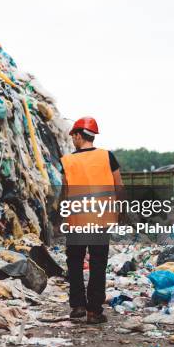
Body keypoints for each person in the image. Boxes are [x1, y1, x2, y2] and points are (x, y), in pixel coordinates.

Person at [60, 116, 123, 324]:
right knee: (97, 264)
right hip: (100, 219)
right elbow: (118, 186)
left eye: (73, 136)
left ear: (79, 135)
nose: (72, 140)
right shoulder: (107, 157)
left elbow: (65, 192)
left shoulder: (68, 161)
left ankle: (78, 305)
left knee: (75, 263)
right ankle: (94, 311)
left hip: (76, 220)